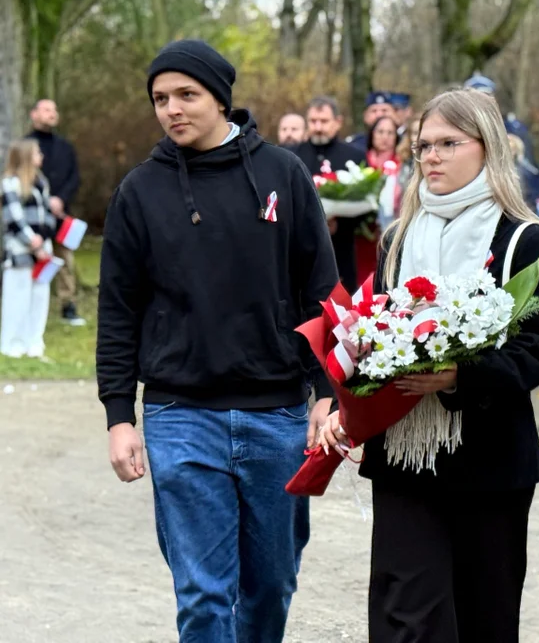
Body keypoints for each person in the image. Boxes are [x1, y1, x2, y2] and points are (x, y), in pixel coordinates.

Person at [96, 39, 339, 643]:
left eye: (187, 95)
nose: (172, 109)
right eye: (160, 99)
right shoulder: (139, 191)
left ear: (221, 99)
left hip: (278, 415)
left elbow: (320, 290)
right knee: (204, 595)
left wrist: (328, 391)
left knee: (271, 586)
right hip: (180, 415)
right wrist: (119, 416)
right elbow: (118, 311)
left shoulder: (283, 173)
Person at [317, 88, 539, 643]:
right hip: (405, 456)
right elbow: (371, 331)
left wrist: (460, 375)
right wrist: (347, 401)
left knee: (484, 618)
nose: (431, 156)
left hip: (490, 458)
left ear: (487, 146)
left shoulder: (523, 239)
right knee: (406, 616)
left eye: (448, 143)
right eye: (423, 145)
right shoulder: (398, 238)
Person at [293, 95, 364, 291]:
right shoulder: (292, 156)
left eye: (324, 121)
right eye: (313, 121)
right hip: (300, 249)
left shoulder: (355, 156)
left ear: (337, 122)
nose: (318, 127)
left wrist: (339, 221)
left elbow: (367, 207)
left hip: (341, 248)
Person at [26, 99, 84, 326]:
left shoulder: (65, 147)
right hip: (32, 217)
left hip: (60, 215)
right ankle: (28, 304)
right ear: (34, 114)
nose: (53, 113)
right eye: (47, 110)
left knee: (64, 261)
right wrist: (43, 200)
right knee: (31, 259)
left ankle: (68, 306)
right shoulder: (25, 146)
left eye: (55, 110)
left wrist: (61, 199)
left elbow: (74, 177)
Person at [1, 138, 56, 358]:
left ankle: (34, 342)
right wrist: (33, 242)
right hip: (20, 252)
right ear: (25, 157)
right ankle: (13, 343)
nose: (40, 156)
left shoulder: (41, 183)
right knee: (17, 297)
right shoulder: (9, 183)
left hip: (44, 252)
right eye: (36, 153)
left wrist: (43, 241)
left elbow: (48, 215)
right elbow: (14, 218)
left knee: (40, 296)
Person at [356, 115, 402, 283]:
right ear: (372, 134)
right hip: (364, 233)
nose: (385, 137)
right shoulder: (360, 161)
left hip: (393, 230)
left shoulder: (403, 163)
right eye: (380, 132)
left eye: (390, 133)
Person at [464, 72, 537, 165]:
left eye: (485, 97)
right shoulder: (457, 129)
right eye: (474, 98)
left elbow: (527, 168)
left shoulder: (513, 129)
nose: (480, 103)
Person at [506, 132, 539, 217]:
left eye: (512, 149)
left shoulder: (527, 170)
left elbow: (537, 191)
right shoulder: (493, 171)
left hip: (525, 212)